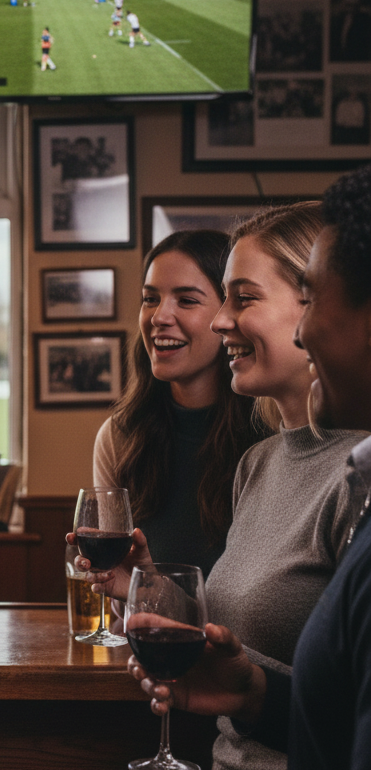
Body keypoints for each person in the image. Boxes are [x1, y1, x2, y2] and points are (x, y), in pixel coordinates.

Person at [85, 203, 365, 770]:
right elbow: (243, 633)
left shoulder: (356, 478)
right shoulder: (262, 463)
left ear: (317, 308)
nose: (218, 322)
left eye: (241, 299)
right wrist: (144, 587)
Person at [90, 230, 263, 578]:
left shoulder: (270, 433)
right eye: (150, 299)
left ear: (228, 314)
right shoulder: (119, 437)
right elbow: (120, 586)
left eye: (186, 300)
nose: (159, 317)